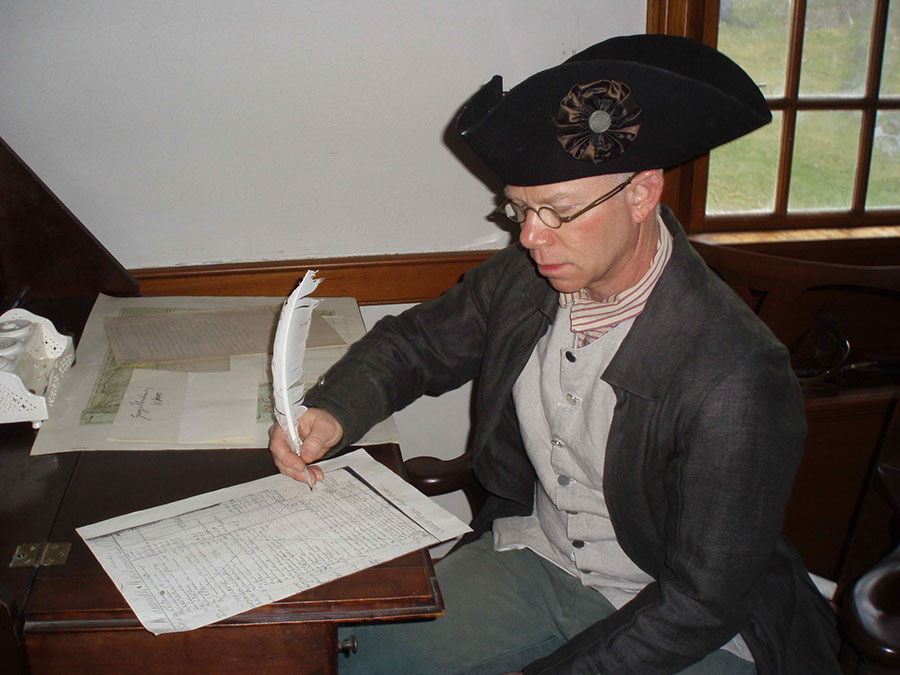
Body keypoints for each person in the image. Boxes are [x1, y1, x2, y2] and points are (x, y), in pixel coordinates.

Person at [269, 34, 841, 674]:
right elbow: (418, 344)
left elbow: (704, 604)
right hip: (543, 555)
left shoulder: (736, 376)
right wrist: (335, 411)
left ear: (641, 194)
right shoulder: (523, 279)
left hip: (683, 619)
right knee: (352, 661)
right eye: (518, 208)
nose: (530, 236)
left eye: (557, 211)